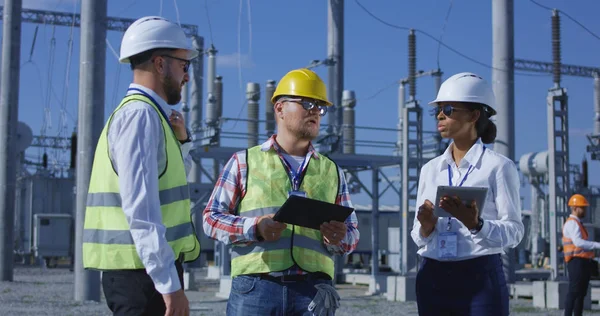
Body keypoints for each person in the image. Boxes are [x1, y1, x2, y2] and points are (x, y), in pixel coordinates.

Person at [202, 68, 360, 316]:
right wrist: (254, 228)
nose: (315, 112)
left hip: (314, 291)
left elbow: (352, 234)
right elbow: (211, 218)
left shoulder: (332, 171)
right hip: (256, 289)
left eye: (320, 107)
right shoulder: (244, 162)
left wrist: (341, 237)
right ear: (280, 109)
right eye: (307, 103)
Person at [82, 16, 201, 316]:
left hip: (146, 272)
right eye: (184, 66)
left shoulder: (152, 118)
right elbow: (142, 211)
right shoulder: (140, 117)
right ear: (160, 64)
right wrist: (169, 285)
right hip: (142, 277)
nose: (187, 76)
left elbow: (162, 186)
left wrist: (183, 143)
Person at [410, 72, 524, 315]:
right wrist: (426, 227)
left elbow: (515, 231)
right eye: (438, 110)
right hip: (432, 276)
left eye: (449, 109)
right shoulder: (430, 170)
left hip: (480, 277)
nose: (440, 115)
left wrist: (477, 225)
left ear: (474, 115)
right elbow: (417, 236)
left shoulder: (499, 167)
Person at [562, 193, 600, 316]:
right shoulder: (572, 223)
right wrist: (596, 245)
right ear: (575, 208)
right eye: (582, 207)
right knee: (574, 292)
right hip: (575, 262)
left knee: (580, 294)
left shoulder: (577, 223)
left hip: (582, 262)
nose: (584, 210)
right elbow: (578, 242)